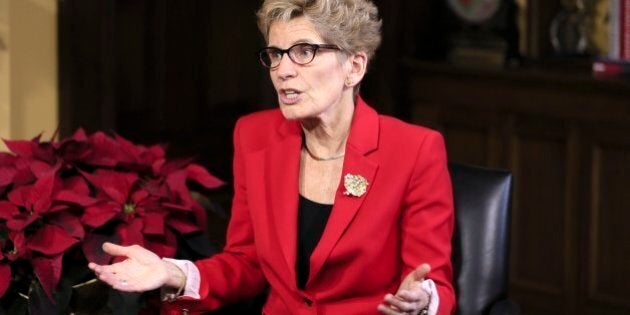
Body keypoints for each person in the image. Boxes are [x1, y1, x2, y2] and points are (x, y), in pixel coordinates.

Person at [88, 0, 456, 314]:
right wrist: (175, 273)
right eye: (275, 54)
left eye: (303, 51)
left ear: (354, 67)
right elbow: (247, 262)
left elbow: (434, 282)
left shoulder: (415, 150)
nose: (282, 70)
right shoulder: (254, 136)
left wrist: (421, 301)